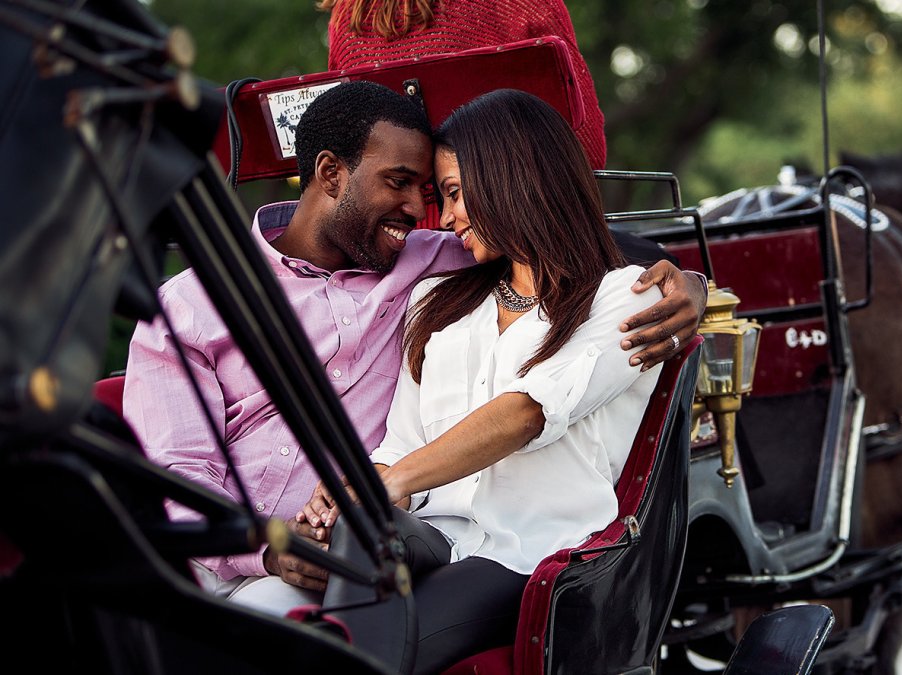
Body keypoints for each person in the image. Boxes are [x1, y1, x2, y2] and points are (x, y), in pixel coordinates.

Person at [123, 81, 705, 616]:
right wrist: (266, 549)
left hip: (353, 547)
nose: (422, 211)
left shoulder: (431, 263)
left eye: (434, 193)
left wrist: (688, 284)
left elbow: (558, 244)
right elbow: (172, 473)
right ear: (330, 174)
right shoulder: (188, 305)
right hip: (214, 560)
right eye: (399, 183)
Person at [304, 87, 667, 675]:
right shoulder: (436, 304)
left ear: (511, 175)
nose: (444, 219)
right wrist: (357, 486)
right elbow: (400, 444)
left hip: (535, 552)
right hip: (435, 532)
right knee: (361, 526)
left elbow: (528, 413)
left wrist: (388, 484)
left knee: (375, 644)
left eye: (451, 194)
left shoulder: (624, 295)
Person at [320, 0, 606, 171]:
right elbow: (588, 150)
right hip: (505, 231)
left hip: (397, 240)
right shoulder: (515, 5)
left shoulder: (347, 17)